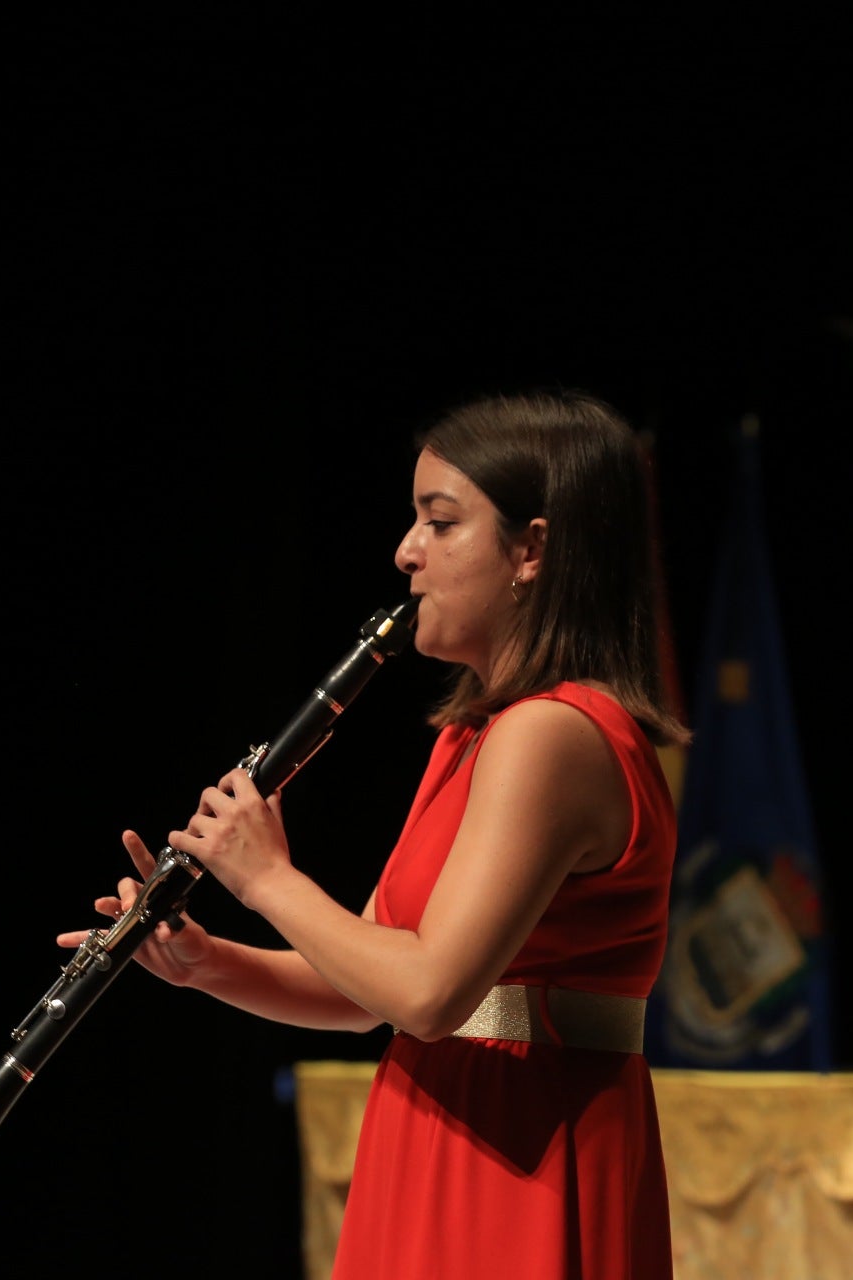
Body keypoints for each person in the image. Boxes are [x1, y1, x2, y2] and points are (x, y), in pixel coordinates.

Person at [59, 390, 688, 1278]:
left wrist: (268, 879)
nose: (405, 552)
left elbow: (430, 995)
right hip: (445, 1120)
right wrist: (211, 964)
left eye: (440, 522)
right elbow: (369, 990)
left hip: (522, 1146)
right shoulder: (474, 735)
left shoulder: (555, 735)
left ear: (532, 550)